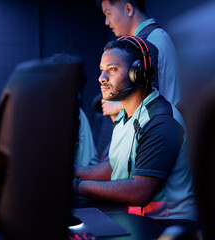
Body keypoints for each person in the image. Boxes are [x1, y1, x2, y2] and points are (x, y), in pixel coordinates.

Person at [73, 36, 197, 226]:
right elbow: (114, 166)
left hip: (168, 225)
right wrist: (69, 173)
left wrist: (76, 186)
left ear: (137, 73)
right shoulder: (125, 115)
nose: (102, 78)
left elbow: (141, 191)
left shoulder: (160, 121)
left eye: (112, 69)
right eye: (102, 70)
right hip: (137, 218)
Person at [96, 0, 181, 121]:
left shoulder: (146, 44)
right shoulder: (155, 36)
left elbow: (150, 98)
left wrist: (116, 106)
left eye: (108, 13)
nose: (107, 22)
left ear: (129, 9)